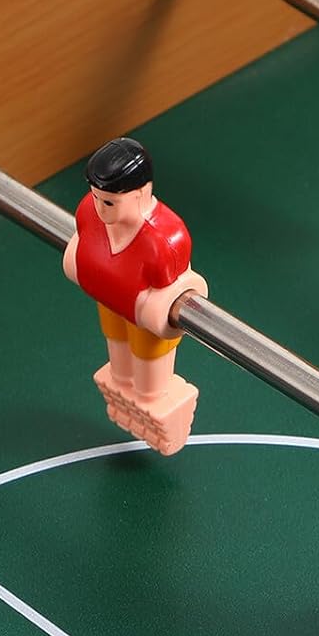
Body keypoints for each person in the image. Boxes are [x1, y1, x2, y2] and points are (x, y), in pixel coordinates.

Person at [62, 137, 207, 455]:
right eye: (96, 197)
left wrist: (153, 305)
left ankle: (158, 410)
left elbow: (166, 292)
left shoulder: (164, 241)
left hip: (144, 316)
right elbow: (84, 248)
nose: (99, 208)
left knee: (148, 385)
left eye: (109, 202)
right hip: (110, 301)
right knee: (120, 369)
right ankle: (124, 397)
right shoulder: (88, 214)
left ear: (140, 194)